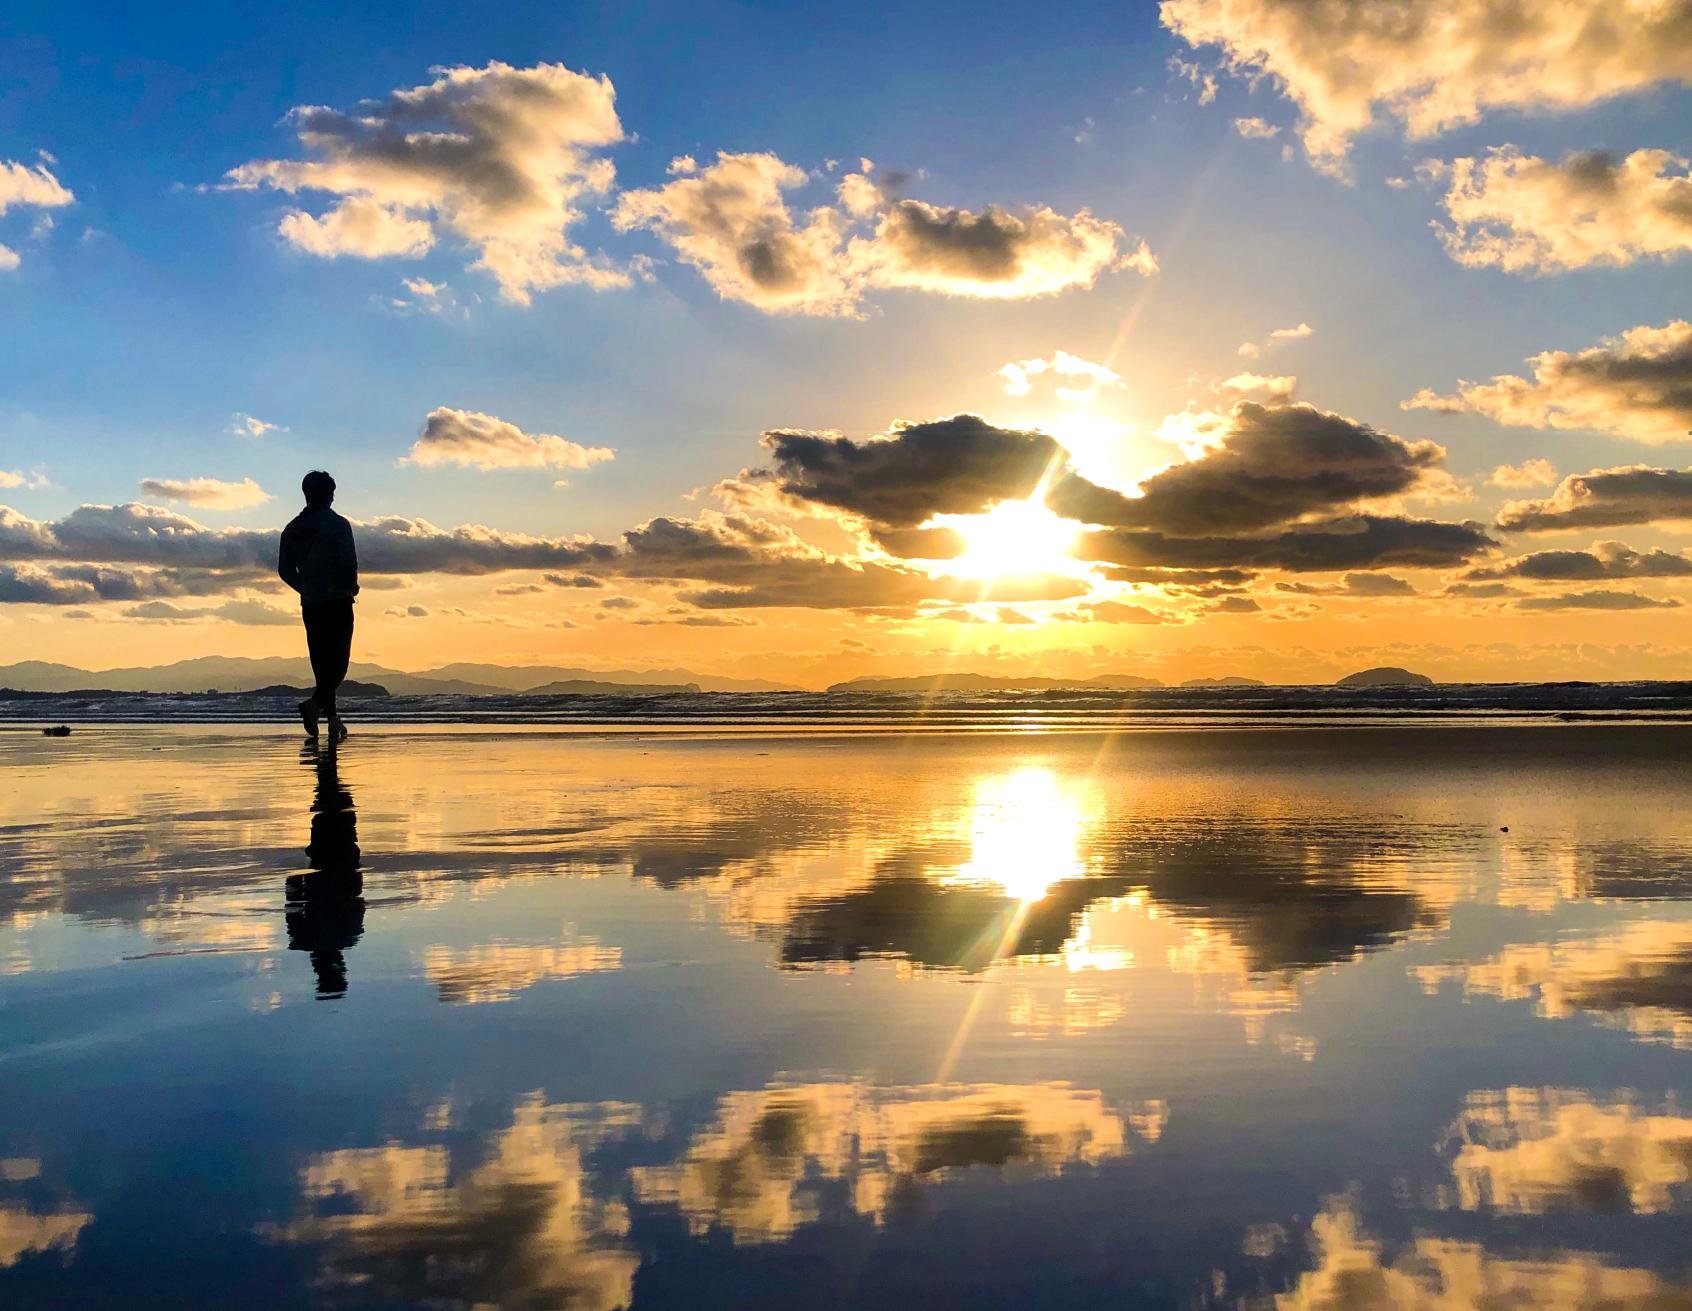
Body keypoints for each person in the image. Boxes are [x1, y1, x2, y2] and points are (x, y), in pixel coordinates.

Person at [278, 470, 359, 741]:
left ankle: (333, 721)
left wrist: (307, 587)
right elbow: (348, 562)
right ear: (329, 495)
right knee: (338, 664)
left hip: (311, 603)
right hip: (337, 600)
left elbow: (285, 570)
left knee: (322, 665)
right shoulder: (338, 524)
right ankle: (313, 706)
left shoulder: (292, 528)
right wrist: (351, 586)